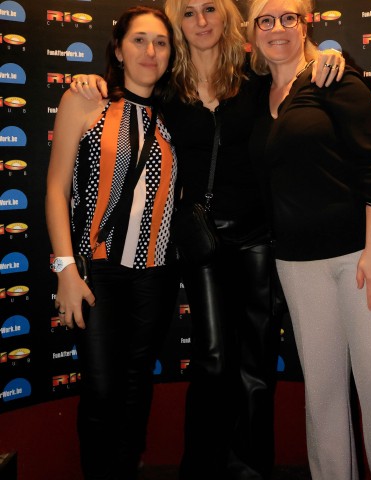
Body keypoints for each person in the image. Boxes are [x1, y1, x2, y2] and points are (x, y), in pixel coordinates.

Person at [70, 1, 344, 478]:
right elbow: (123, 93)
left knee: (257, 364)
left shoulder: (254, 77)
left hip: (260, 237)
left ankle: (250, 468)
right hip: (201, 243)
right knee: (214, 358)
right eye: (189, 12)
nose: (201, 21)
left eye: (210, 8)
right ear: (178, 22)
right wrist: (88, 81)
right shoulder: (165, 88)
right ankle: (200, 468)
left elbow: (293, 62)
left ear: (227, 16)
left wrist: (322, 54)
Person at [246, 0, 371, 479]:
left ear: (305, 24)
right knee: (322, 398)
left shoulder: (333, 77)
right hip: (297, 264)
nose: (277, 28)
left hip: (364, 255)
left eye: (289, 17)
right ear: (252, 31)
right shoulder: (254, 94)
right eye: (266, 19)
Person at [45, 7, 180, 479]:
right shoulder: (85, 101)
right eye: (139, 40)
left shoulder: (173, 115)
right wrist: (65, 268)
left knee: (135, 390)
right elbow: (56, 190)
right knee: (101, 391)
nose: (150, 51)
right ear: (118, 50)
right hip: (96, 272)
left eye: (161, 42)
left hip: (157, 277)